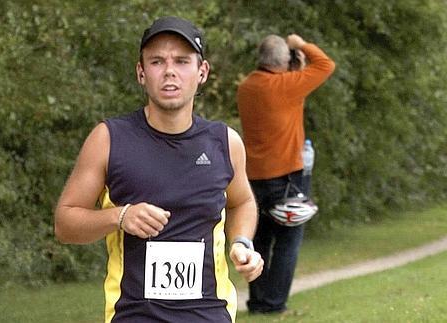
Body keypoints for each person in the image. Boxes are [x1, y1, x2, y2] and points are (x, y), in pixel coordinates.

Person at [54, 16, 263, 323]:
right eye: (156, 61)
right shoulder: (109, 139)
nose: (169, 72)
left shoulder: (225, 142)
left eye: (182, 61)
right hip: (134, 315)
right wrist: (120, 216)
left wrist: (242, 243)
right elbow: (65, 224)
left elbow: (241, 201)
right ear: (141, 72)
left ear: (202, 72)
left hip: (209, 315)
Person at [236, 34, 335, 313]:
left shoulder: (246, 87)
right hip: (287, 177)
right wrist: (300, 44)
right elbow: (325, 64)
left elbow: (278, 94)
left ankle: (257, 301)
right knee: (288, 241)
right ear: (283, 61)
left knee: (261, 240)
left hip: (254, 176)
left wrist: (294, 68)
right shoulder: (287, 86)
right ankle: (274, 303)